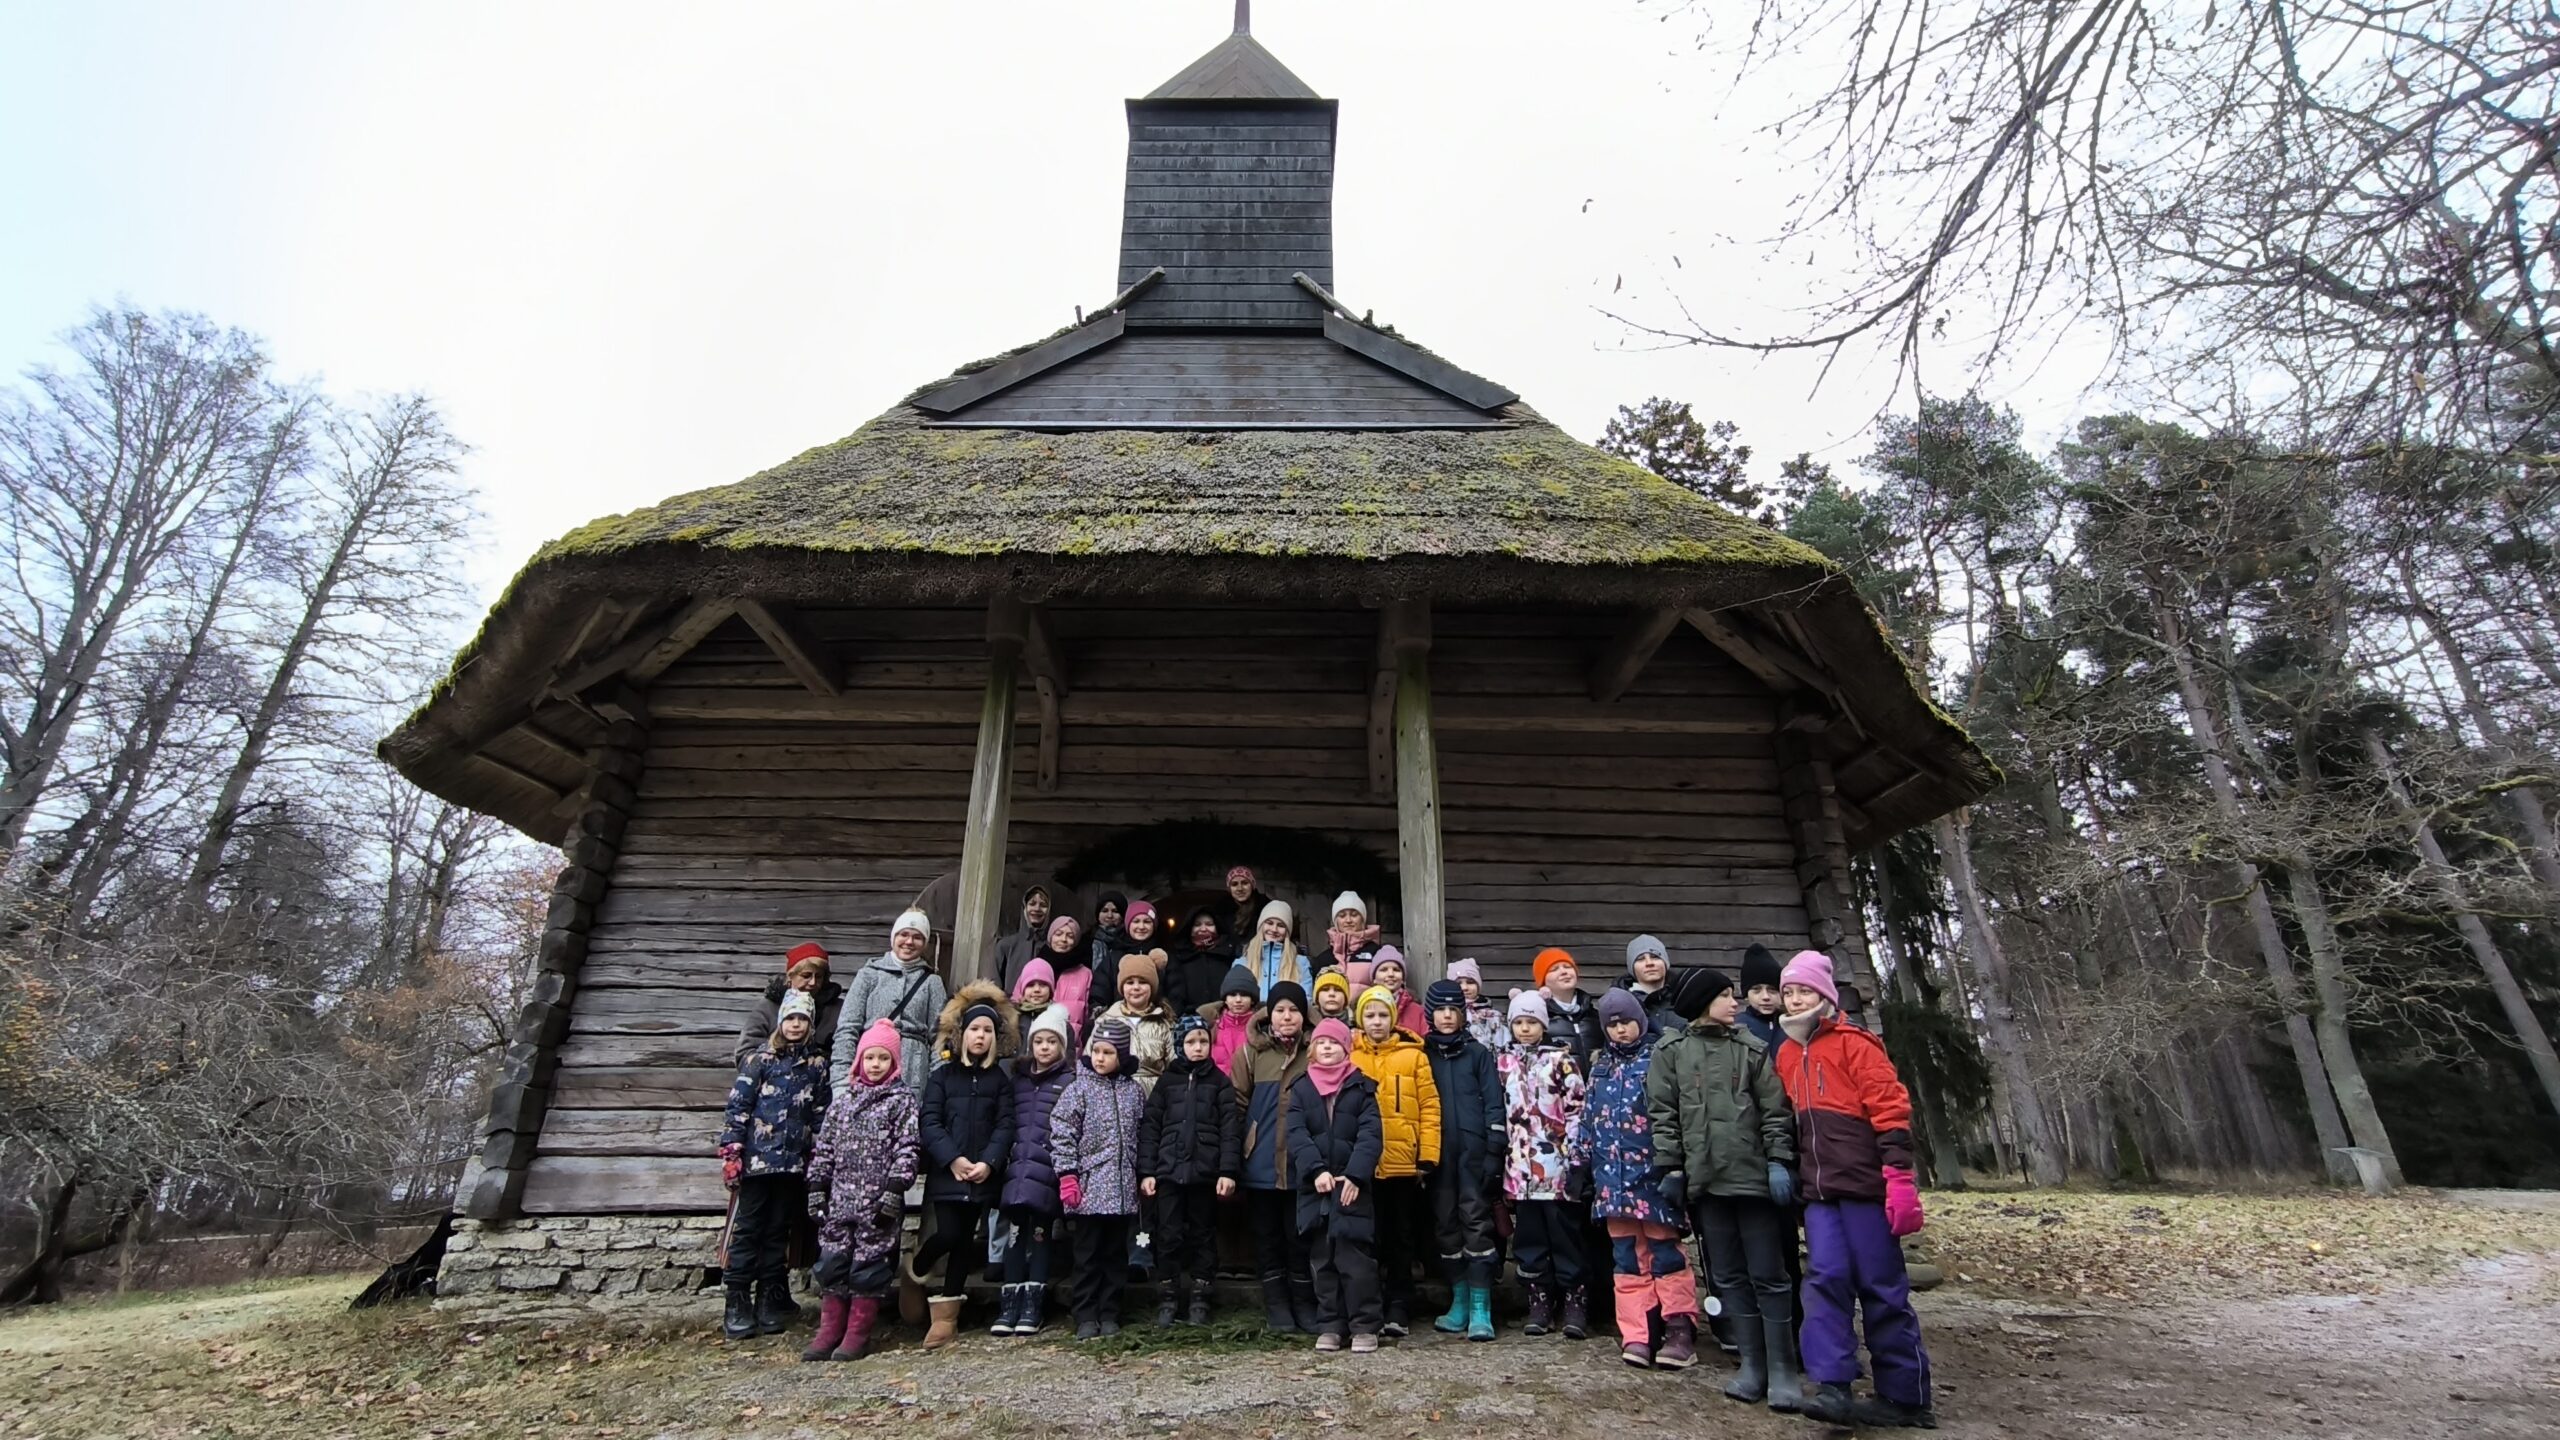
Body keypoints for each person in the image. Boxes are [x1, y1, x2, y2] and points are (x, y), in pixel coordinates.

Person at [1775, 951, 1936, 1429]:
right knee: (1824, 1281)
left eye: (1803, 990)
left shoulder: (1857, 1045)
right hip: (1821, 1192)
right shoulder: (1786, 1052)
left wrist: (1900, 1179)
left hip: (1866, 1188)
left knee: (1882, 1288)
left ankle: (1906, 1397)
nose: (1795, 998)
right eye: (1789, 991)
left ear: (1824, 994)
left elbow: (1890, 1110)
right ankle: (1833, 1386)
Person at [1648, 967, 1803, 1410]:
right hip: (1705, 1182)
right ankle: (1752, 1366)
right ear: (1703, 1003)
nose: (1734, 1004)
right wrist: (1672, 1167)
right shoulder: (1671, 1052)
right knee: (1729, 1275)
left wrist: (1777, 1162)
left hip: (1753, 1182)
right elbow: (1663, 1113)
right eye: (1725, 997)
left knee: (1770, 1275)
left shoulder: (1752, 1051)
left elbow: (1775, 1112)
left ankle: (1784, 1368)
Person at [1573, 989, 1699, 1370]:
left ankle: (1678, 1327)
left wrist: (1676, 1167)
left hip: (1654, 1178)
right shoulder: (1600, 1068)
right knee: (1627, 1258)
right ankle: (1638, 1331)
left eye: (1626, 1022)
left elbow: (1676, 1116)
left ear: (1640, 1021)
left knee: (1665, 1254)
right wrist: (1580, 1163)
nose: (1620, 1031)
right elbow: (1588, 1118)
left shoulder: (1661, 1059)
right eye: (1612, 1025)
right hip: (1613, 1181)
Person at [801, 1017, 919, 1362]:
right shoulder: (843, 1103)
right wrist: (816, 1187)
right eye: (870, 1058)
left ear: (894, 1063)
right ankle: (829, 1330)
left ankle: (857, 1333)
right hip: (840, 1198)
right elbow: (825, 1149)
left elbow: (908, 1148)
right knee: (832, 1264)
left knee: (868, 1267)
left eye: (883, 1058)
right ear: (859, 1061)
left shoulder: (901, 1102)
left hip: (877, 1200)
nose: (876, 1064)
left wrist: (895, 1192)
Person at [717, 990, 830, 1341]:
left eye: (803, 1019)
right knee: (749, 1229)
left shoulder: (816, 1065)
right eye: (790, 1019)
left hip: (793, 1163)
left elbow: (821, 1113)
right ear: (781, 1022)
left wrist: (819, 1152)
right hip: (757, 1161)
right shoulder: (759, 1061)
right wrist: (732, 1152)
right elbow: (738, 1108)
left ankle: (769, 1298)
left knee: (778, 1231)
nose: (796, 1025)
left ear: (810, 1025)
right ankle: (737, 1300)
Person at [915, 982, 1017, 1348]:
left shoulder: (999, 1080)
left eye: (987, 1031)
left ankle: (945, 1320)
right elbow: (930, 1121)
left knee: (964, 1244)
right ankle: (921, 1261)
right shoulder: (942, 1077)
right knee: (949, 1234)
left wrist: (989, 1162)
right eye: (975, 1029)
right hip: (949, 1172)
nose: (980, 1036)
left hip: (980, 1174)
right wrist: (953, 1159)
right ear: (962, 1034)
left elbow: (1006, 1124)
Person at [1288, 1016, 1384, 1353]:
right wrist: (1315, 1171)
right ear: (1313, 1049)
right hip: (1316, 1188)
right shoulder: (1301, 1088)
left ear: (1346, 1049)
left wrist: (1356, 1175)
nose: (1328, 1048)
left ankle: (1365, 1326)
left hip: (1351, 1187)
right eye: (1322, 1043)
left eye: (1335, 1043)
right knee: (1322, 1260)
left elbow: (1371, 1136)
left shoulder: (1362, 1087)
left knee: (1355, 1260)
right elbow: (1297, 1135)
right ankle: (1330, 1325)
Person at [1349, 983, 1439, 1336]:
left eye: (1383, 1014)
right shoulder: (1351, 1056)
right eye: (1369, 1015)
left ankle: (1399, 1305)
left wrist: (1427, 1154)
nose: (1376, 1021)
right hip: (1363, 1164)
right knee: (1368, 1236)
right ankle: (1369, 1304)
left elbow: (1430, 1107)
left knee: (1401, 1236)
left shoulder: (1413, 1056)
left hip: (1402, 1163)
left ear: (1394, 1018)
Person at [1140, 1014, 1240, 1326]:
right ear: (1179, 1046)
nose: (1198, 1048)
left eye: (1203, 1041)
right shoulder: (1167, 1082)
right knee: (1167, 1234)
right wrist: (1147, 1171)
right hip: (1169, 1172)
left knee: (1203, 1234)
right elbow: (1151, 1128)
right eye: (1191, 1042)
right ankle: (1168, 1294)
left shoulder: (1220, 1083)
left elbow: (1230, 1130)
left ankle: (1201, 1294)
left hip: (1205, 1173)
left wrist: (1228, 1171)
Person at [1050, 1017, 1146, 1340]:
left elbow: (1141, 1134)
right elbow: (1063, 1133)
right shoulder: (1079, 1090)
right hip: (1090, 1190)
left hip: (1121, 1191)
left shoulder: (1133, 1092)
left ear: (1121, 1056)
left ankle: (1110, 1312)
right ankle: (1085, 1313)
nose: (1101, 1058)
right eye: (1097, 1051)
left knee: (1115, 1256)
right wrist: (1068, 1175)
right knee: (1087, 1257)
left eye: (1108, 1052)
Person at [1500, 989, 1586, 1339]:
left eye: (1532, 1022)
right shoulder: (1503, 1063)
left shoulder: (1561, 1061)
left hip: (1557, 1169)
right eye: (1519, 1022)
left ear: (1543, 1025)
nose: (1525, 1028)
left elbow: (1578, 1109)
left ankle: (1574, 1301)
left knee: (1565, 1237)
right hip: (1520, 1170)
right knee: (1530, 1240)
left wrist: (1576, 1157)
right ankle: (1539, 1300)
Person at [1233, 978, 1316, 1333]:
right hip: (1261, 1160)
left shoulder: (1315, 1050)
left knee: (1298, 1236)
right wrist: (1236, 1154)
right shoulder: (1251, 1052)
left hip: (1301, 1163)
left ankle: (1303, 1302)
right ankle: (1277, 1304)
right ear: (1270, 1014)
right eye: (1280, 1010)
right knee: (1267, 1237)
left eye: (1294, 1010)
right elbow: (1235, 1104)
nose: (1287, 1017)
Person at [1420, 980, 1501, 1342]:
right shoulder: (1422, 1054)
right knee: (1445, 1226)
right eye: (1441, 1010)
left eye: (1454, 1010)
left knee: (1476, 1223)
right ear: (1430, 1014)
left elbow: (1494, 1102)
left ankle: (1483, 1306)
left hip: (1474, 1154)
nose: (1448, 1016)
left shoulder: (1478, 1054)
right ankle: (1461, 1300)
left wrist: (1494, 1150)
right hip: (1437, 1157)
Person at [993, 1006, 1075, 1337]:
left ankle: (1033, 1301)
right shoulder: (1018, 1082)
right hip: (1016, 1167)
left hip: (1047, 1169)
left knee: (1041, 1234)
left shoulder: (1069, 1081)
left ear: (1062, 1047)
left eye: (1051, 1042)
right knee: (1015, 1233)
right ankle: (1010, 1299)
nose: (1044, 1047)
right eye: (1038, 1041)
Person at [831, 909, 947, 1095]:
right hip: (868, 1072)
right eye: (904, 934)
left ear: (924, 943)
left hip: (914, 1075)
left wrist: (938, 1087)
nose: (909, 942)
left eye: (917, 937)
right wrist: (841, 1082)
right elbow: (847, 1028)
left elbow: (940, 1039)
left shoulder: (932, 982)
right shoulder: (869, 975)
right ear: (893, 937)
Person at [734, 942, 845, 1068]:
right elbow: (744, 1053)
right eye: (806, 976)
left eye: (818, 976)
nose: (813, 982)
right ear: (791, 976)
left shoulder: (838, 1010)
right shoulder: (768, 1007)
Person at [1095, 952, 1177, 1094]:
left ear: (1152, 987)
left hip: (1154, 1097)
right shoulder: (1105, 1020)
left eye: (1143, 982)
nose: (1136, 987)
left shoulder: (1164, 1023)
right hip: (1113, 1096)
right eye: (1130, 982)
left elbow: (1174, 1067)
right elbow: (1091, 1062)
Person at [1533, 948, 1603, 1067]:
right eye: (1554, 969)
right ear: (1543, 980)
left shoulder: (1595, 1016)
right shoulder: (1538, 1019)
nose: (1564, 972)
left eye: (1568, 967)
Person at [1165, 906, 1236, 1018]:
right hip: (1190, 1020)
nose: (1203, 929)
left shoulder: (1230, 954)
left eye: (1209, 924)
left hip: (1225, 1018)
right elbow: (1175, 995)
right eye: (1197, 925)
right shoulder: (1179, 956)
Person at [1096, 900, 1168, 1007]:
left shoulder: (1164, 955)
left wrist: (1168, 1015)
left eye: (1147, 922)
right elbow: (1100, 988)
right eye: (1136, 921)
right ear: (1128, 925)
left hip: (1156, 1018)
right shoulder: (1114, 955)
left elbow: (1176, 992)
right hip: (1118, 1019)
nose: (1141, 926)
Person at [1036, 915, 1098, 1038]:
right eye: (1058, 934)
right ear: (1050, 937)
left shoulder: (1085, 973)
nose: (1063, 939)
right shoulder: (1036, 967)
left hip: (1071, 1046)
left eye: (1070, 936)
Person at [1241, 899, 1310, 999]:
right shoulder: (1242, 963)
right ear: (1261, 925)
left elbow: (1306, 1001)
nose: (1274, 929)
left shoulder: (1301, 963)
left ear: (1287, 931)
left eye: (1281, 925)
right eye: (1269, 923)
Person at [1614, 935, 1680, 1040]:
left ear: (1665, 962)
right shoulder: (1617, 1005)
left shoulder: (1685, 998)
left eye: (1655, 957)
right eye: (1640, 959)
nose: (1649, 963)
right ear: (1632, 968)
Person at [993, 884, 1056, 987]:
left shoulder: (1053, 947)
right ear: (1024, 908)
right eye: (1032, 903)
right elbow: (994, 982)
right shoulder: (1006, 945)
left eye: (1043, 905)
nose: (1037, 908)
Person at [1205, 963, 1259, 1077]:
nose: (1238, 1000)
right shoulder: (1211, 1027)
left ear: (1253, 1000)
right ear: (1225, 999)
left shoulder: (1260, 1028)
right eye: (1233, 995)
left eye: (1244, 995)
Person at [1447, 958, 1506, 1052]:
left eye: (1470, 982)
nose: (1464, 988)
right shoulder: (1446, 1014)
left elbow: (1502, 1046)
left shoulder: (1493, 1015)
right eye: (1458, 983)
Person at [1367, 948, 1428, 1036]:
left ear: (1403, 979)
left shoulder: (1419, 1012)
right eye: (1384, 970)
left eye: (1396, 970)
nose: (1391, 974)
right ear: (1374, 979)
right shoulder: (1365, 1009)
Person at [1737, 943, 1785, 1051]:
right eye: (1756, 990)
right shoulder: (1738, 1027)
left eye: (1772, 990)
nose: (1765, 997)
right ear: (1746, 995)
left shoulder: (1793, 1026)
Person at [1216, 864, 1273, 951]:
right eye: (1234, 884)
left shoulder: (1265, 907)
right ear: (1229, 888)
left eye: (1244, 883)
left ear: (1252, 885)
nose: (1240, 888)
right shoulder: (1221, 910)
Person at [1318, 891, 1381, 968]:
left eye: (1354, 915)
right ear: (1336, 922)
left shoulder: (1378, 953)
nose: (1348, 920)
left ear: (1363, 920)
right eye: (1342, 916)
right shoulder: (1323, 959)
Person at [1011, 958, 1059, 1034]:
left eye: (1043, 985)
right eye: (1030, 985)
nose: (1037, 989)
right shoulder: (1013, 1018)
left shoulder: (1058, 1018)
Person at [1090, 891, 1128, 971]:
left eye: (1115, 911)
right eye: (1104, 911)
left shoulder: (1129, 941)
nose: (1109, 915)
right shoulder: (1087, 940)